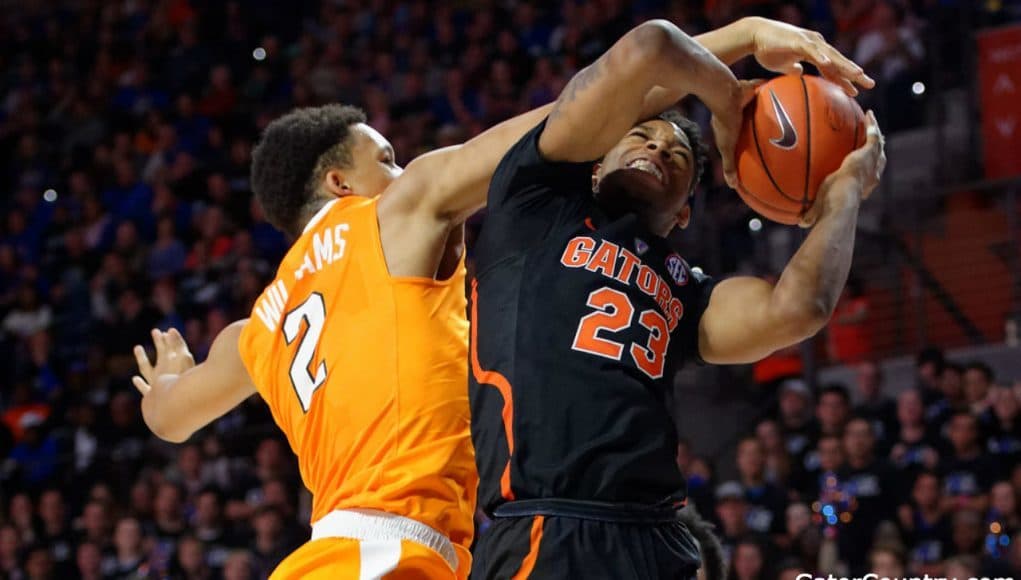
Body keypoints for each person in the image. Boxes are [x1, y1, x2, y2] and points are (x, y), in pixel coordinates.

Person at [468, 14, 881, 580]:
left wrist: (844, 196)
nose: (658, 150)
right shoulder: (535, 200)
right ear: (595, 166)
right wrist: (731, 95)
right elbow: (651, 45)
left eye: (677, 158)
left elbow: (797, 309)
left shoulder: (685, 287)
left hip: (661, 537)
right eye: (641, 137)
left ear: (684, 212)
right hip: (549, 523)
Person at [129, 99, 555, 578]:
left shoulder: (257, 328)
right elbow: (560, 124)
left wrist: (167, 378)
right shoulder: (387, 223)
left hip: (333, 552)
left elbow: (168, 418)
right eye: (387, 160)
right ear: (339, 183)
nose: (400, 172)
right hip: (387, 549)